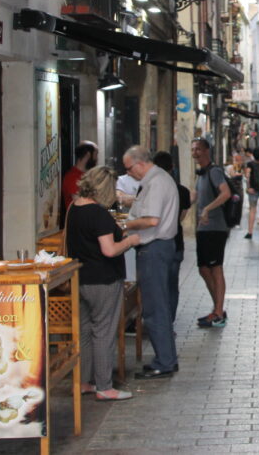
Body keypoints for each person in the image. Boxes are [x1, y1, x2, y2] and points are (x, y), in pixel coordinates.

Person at [66, 166, 139, 400]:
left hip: (81, 278)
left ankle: (84, 382)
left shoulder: (73, 208)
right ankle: (105, 386)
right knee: (103, 333)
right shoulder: (98, 213)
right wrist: (130, 242)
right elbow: (109, 250)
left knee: (85, 332)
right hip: (104, 280)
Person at [120, 146, 180, 379]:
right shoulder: (157, 179)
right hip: (158, 248)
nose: (128, 173)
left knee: (155, 308)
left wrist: (125, 225)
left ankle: (164, 361)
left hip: (155, 249)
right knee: (158, 305)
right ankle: (166, 358)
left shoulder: (156, 182)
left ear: (140, 163)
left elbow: (151, 219)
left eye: (129, 168)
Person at [191, 137, 232, 329]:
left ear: (207, 150)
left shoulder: (214, 171)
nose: (195, 152)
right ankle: (218, 308)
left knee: (216, 268)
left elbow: (226, 193)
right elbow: (194, 196)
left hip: (216, 227)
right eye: (193, 150)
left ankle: (218, 312)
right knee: (203, 268)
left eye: (198, 149)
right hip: (204, 228)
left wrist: (207, 209)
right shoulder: (200, 174)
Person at [152, 151, 191, 322]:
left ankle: (158, 321)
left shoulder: (147, 188)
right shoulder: (182, 191)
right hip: (175, 242)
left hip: (153, 243)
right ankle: (168, 323)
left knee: (156, 285)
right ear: (172, 167)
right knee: (172, 285)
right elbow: (181, 217)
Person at [62, 141, 98, 211]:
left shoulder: (87, 175)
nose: (96, 159)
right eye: (96, 155)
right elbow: (80, 203)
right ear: (88, 155)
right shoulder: (72, 177)